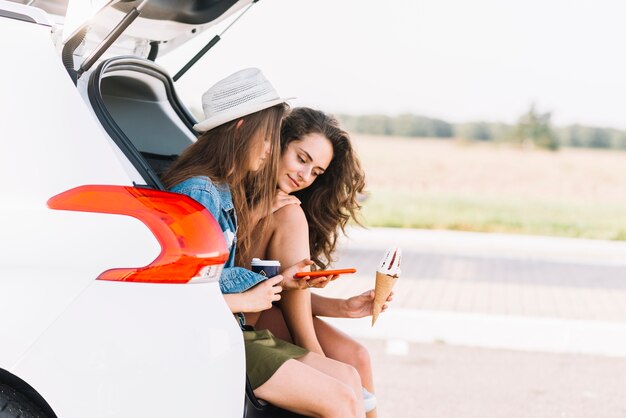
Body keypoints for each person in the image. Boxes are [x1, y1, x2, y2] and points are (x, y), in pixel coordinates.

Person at [162, 68, 365, 418]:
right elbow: (181, 294)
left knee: (349, 376)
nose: (271, 150)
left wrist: (283, 282)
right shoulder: (199, 192)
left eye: (316, 171)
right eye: (270, 140)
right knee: (343, 397)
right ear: (242, 129)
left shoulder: (220, 190)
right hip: (219, 335)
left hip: (235, 327)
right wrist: (246, 297)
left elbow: (220, 272)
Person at [251, 107, 391, 417]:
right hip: (243, 316)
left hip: (262, 309)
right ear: (278, 143)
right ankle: (311, 348)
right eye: (302, 159)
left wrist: (341, 307)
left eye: (316, 172)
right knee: (341, 375)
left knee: (358, 356)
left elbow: (282, 290)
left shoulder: (286, 202)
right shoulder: (252, 192)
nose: (304, 176)